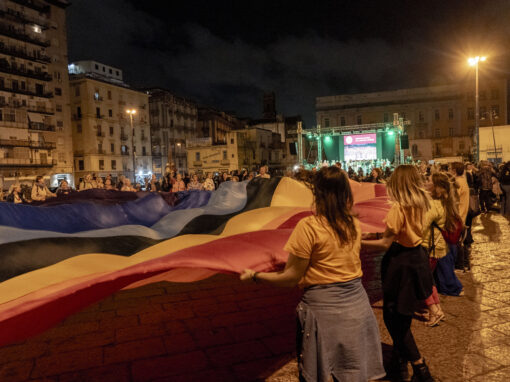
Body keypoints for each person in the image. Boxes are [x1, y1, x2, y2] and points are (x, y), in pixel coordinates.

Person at [240, 167, 385, 381]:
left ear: (317, 194)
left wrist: (255, 276)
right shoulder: (353, 223)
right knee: (352, 372)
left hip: (324, 314)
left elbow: (290, 278)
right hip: (357, 308)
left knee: (322, 373)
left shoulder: (308, 227)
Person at [361, 165, 436, 382]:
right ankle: (399, 362)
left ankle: (420, 368)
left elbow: (385, 243)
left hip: (400, 263)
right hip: (417, 259)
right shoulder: (421, 203)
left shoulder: (398, 209)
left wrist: (359, 242)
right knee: (402, 315)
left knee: (393, 318)